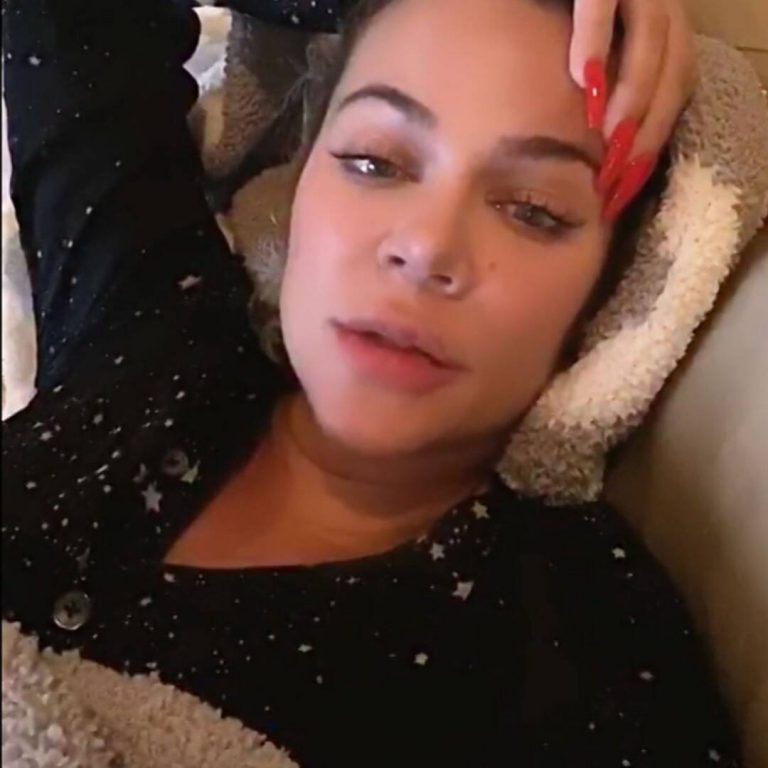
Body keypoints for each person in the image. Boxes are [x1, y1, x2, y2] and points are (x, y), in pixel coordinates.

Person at [1, 0, 742, 765]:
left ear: (608, 296)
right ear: (300, 182)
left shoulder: (586, 646)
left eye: (533, 210)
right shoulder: (152, 317)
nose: (425, 248)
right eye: (374, 161)